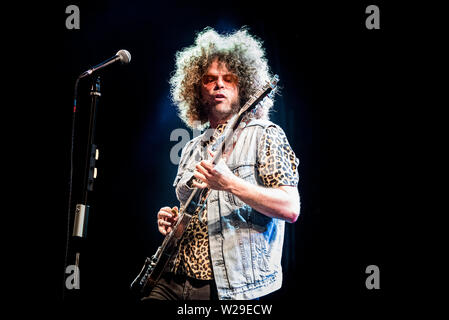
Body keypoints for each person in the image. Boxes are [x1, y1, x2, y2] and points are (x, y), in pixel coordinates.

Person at [143, 27, 300, 300]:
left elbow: (290, 208)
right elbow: (191, 215)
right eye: (210, 79)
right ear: (196, 89)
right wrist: (173, 222)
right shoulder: (191, 147)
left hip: (226, 287)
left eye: (229, 78)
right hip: (171, 275)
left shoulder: (265, 134)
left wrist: (230, 183)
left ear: (244, 87)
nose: (219, 84)